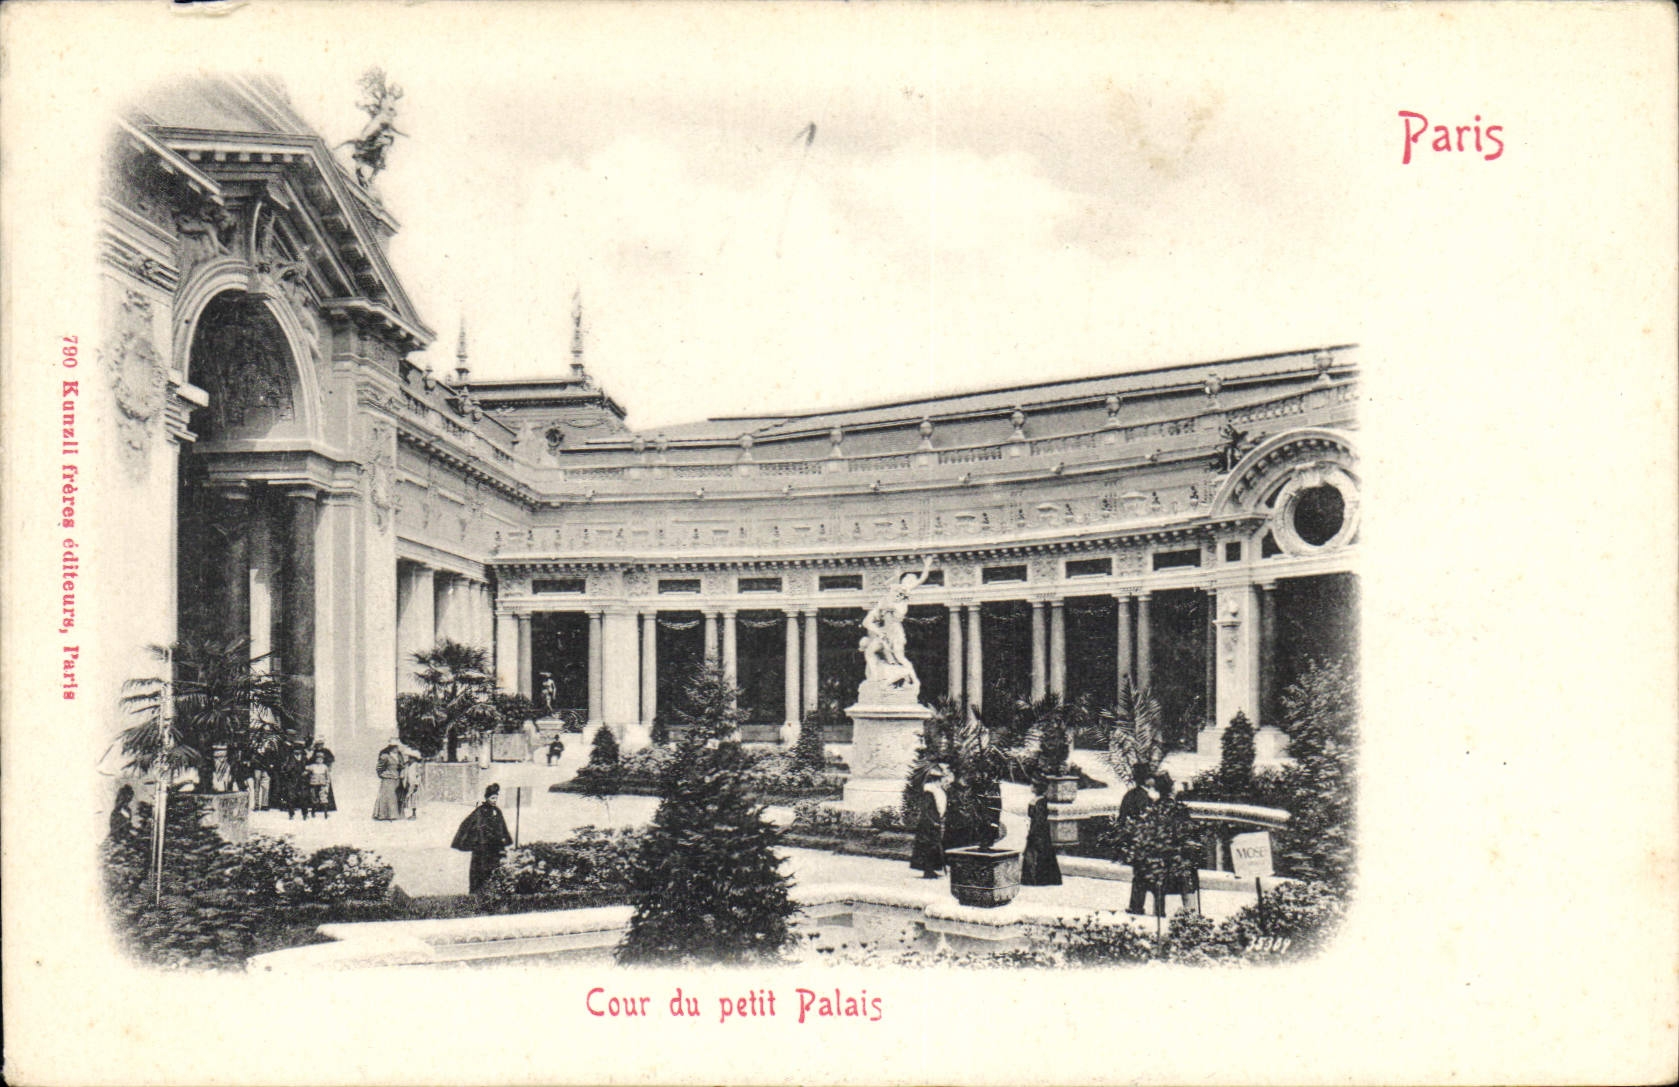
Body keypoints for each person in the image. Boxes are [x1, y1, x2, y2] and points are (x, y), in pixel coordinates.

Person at [452, 783, 514, 894]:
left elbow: (502, 827)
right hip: (481, 849)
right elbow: (467, 824)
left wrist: (505, 840)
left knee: (493, 871)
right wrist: (472, 841)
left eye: (496, 798)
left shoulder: (497, 811)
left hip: (494, 848)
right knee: (479, 873)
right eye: (492, 798)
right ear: (486, 798)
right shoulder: (480, 811)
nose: (494, 800)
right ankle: (476, 894)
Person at [1120, 764, 1154, 915]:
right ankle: (1139, 906)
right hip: (1145, 842)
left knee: (1138, 875)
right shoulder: (1145, 798)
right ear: (1147, 780)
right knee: (1144, 875)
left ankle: (1136, 905)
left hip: (1133, 841)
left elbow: (1121, 819)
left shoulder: (1129, 795)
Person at [1021, 779, 1063, 886]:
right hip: (1037, 829)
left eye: (1033, 785)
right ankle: (1033, 879)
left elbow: (1039, 819)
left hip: (1039, 831)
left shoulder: (1040, 802)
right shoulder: (1037, 800)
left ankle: (1037, 879)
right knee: (1036, 852)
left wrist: (1033, 832)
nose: (1031, 787)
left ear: (1036, 788)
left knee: (1037, 852)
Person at [909, 768, 947, 878]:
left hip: (935, 821)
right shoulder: (929, 791)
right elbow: (926, 809)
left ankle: (931, 869)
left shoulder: (937, 790)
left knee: (934, 846)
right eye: (941, 779)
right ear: (936, 780)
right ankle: (928, 871)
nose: (942, 781)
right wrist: (933, 821)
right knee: (928, 846)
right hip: (928, 823)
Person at [372, 739, 405, 820]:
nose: (396, 748)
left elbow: (402, 765)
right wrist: (383, 775)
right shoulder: (385, 756)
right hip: (387, 779)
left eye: (397, 747)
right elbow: (379, 768)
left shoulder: (399, 756)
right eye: (394, 747)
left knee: (396, 796)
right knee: (388, 797)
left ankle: (395, 814)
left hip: (397, 778)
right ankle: (384, 815)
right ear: (391, 747)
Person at [309, 741, 338, 816]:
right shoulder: (314, 752)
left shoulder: (326, 751)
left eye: (321, 744)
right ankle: (315, 808)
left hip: (323, 774)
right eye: (318, 745)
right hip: (315, 775)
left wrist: (328, 767)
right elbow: (310, 761)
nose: (319, 746)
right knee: (314, 793)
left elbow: (331, 759)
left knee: (324, 792)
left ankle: (327, 808)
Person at [305, 751, 333, 820]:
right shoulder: (312, 766)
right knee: (314, 798)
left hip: (322, 784)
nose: (319, 760)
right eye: (317, 759)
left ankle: (326, 814)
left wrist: (327, 784)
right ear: (315, 759)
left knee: (323, 798)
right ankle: (313, 812)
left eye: (321, 759)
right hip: (313, 784)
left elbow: (328, 776)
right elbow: (306, 770)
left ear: (323, 760)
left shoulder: (324, 767)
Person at [399, 747, 423, 820]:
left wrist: (416, 784)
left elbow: (418, 775)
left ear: (415, 759)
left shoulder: (416, 765)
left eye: (411, 758)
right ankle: (403, 813)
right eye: (409, 758)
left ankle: (414, 814)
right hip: (407, 783)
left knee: (414, 799)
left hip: (414, 784)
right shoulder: (407, 765)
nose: (410, 759)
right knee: (406, 798)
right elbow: (404, 773)